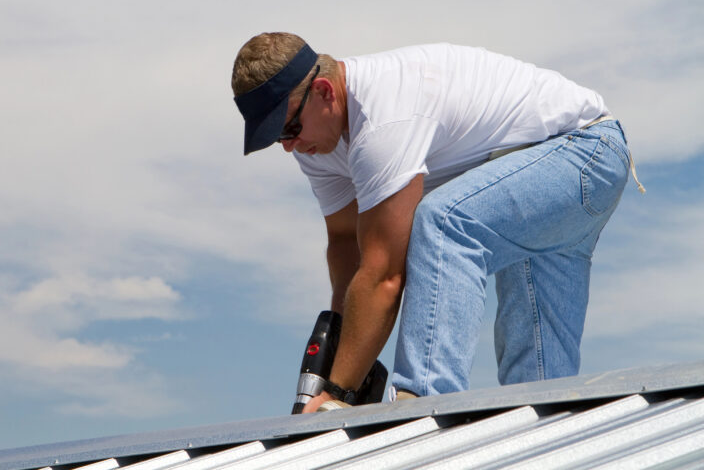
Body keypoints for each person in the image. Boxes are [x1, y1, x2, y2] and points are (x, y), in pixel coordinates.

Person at [231, 32, 643, 414]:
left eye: (289, 128)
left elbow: (384, 275)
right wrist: (340, 355)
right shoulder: (315, 146)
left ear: (323, 92)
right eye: (275, 138)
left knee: (445, 223)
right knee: (534, 397)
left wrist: (339, 394)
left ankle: (422, 399)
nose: (288, 147)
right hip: (539, 173)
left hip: (584, 151)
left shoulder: (383, 116)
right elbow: (346, 245)